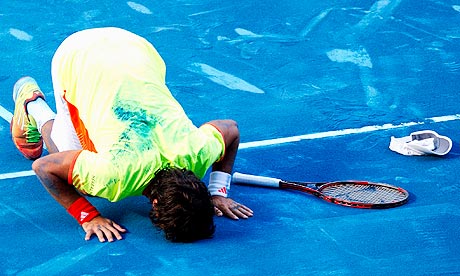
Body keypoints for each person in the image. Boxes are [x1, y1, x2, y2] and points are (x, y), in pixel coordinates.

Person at [10, 27, 253, 243]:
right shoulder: (113, 177)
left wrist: (218, 192)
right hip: (78, 58)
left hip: (135, 46)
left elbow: (230, 128)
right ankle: (33, 106)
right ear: (155, 205)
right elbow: (44, 167)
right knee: (81, 180)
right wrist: (88, 216)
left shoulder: (199, 153)